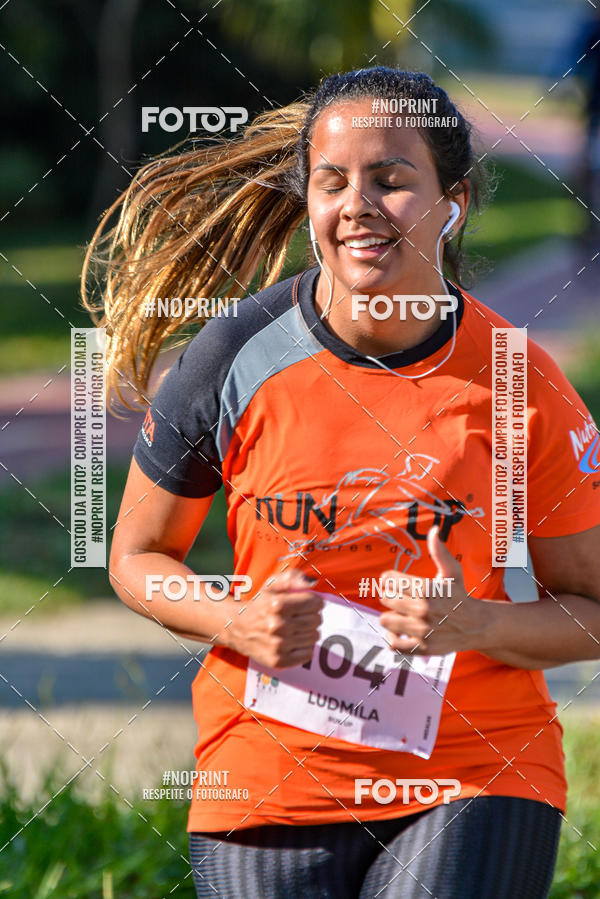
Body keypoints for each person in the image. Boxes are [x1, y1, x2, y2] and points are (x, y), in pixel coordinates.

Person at [83, 68, 600, 898]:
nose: (357, 204)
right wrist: (236, 615)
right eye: (333, 182)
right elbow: (136, 558)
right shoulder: (233, 356)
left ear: (453, 200)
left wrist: (476, 623)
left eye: (392, 181)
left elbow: (593, 610)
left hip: (476, 770)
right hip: (269, 772)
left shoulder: (519, 381)